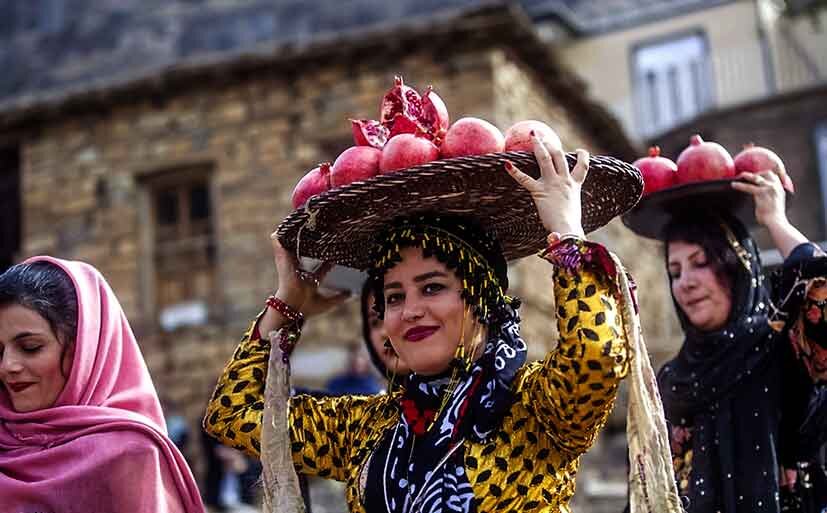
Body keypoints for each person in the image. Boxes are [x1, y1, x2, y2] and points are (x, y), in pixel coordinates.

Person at [205, 136, 680, 512]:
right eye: (394, 297)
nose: (410, 310)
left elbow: (597, 356)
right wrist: (286, 306)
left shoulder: (537, 410)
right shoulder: (366, 427)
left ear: (484, 299)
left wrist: (567, 238)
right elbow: (234, 415)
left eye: (432, 288)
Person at [655, 170, 827, 512]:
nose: (685, 282)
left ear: (738, 268)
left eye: (701, 263)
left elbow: (821, 301)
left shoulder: (782, 347)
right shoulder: (670, 380)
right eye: (675, 272)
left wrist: (775, 220)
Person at [0, 256, 205, 513]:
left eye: (30, 347)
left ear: (81, 350)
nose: (7, 366)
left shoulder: (127, 453)